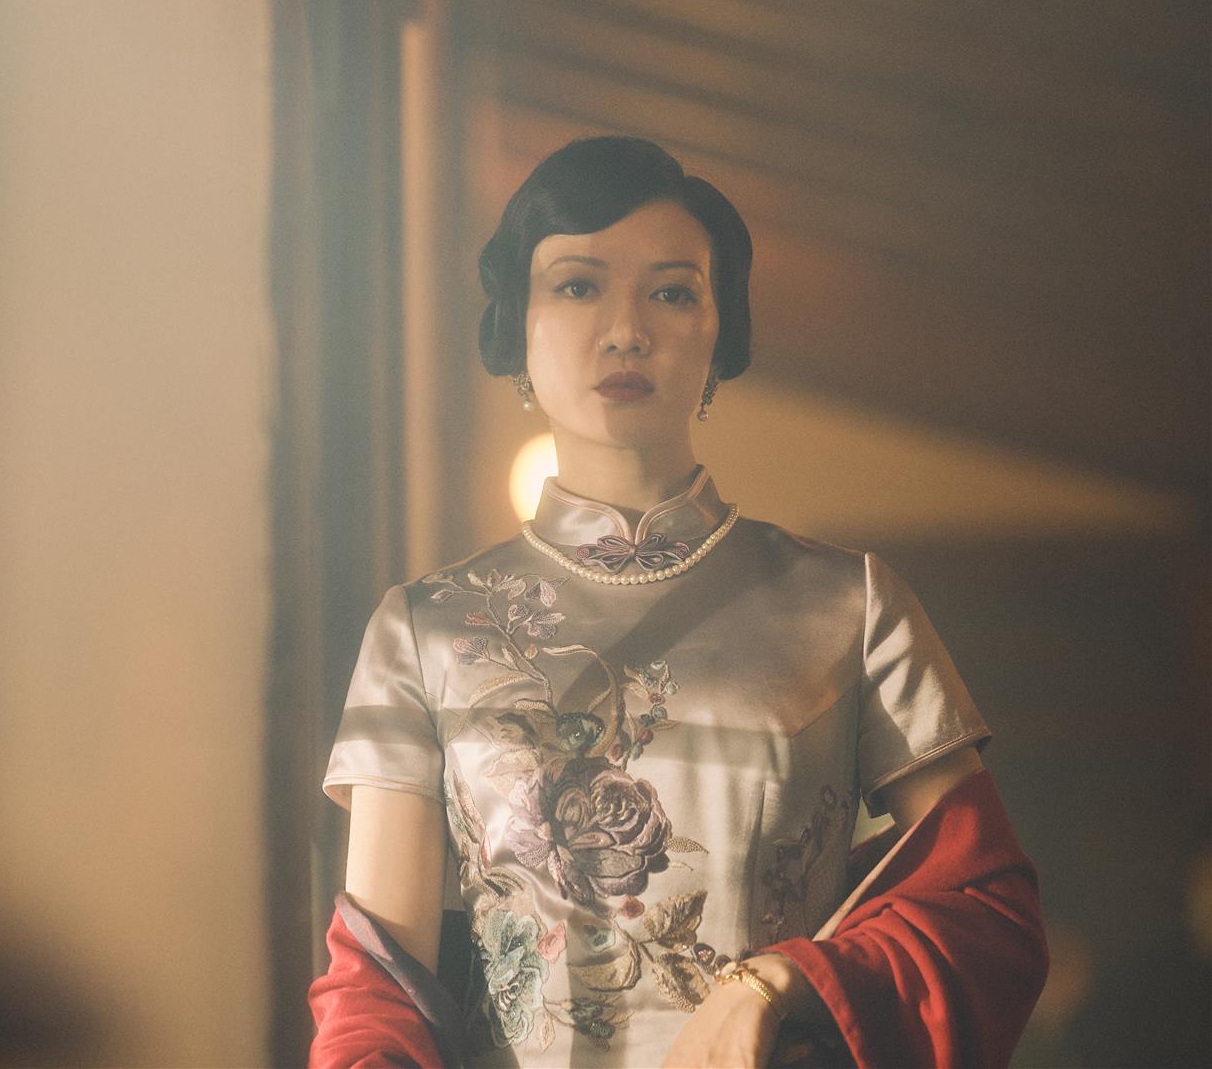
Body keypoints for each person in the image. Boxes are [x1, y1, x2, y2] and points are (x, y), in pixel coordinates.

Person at [306, 136, 1047, 1068]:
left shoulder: (848, 606)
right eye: (578, 285)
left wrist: (776, 982)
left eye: (671, 292)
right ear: (517, 329)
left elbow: (987, 909)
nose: (625, 330)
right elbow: (379, 984)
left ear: (719, 333)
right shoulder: (424, 629)